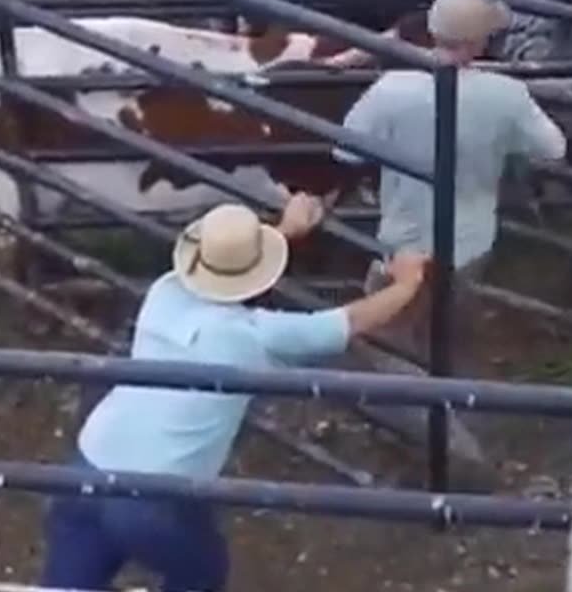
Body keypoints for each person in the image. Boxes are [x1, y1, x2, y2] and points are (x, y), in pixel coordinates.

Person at [38, 192, 430, 592]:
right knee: (201, 575)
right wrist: (406, 284)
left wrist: (284, 233)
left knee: (69, 585)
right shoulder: (254, 336)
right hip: (156, 493)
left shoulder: (164, 292)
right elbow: (347, 322)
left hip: (87, 464)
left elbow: (227, 271)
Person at [331, 0, 567, 361]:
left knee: (384, 338)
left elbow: (345, 150)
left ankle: (400, 403)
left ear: (432, 30)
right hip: (469, 242)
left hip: (401, 242)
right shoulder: (507, 93)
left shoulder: (390, 88)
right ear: (481, 41)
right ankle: (439, 396)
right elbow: (554, 148)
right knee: (446, 332)